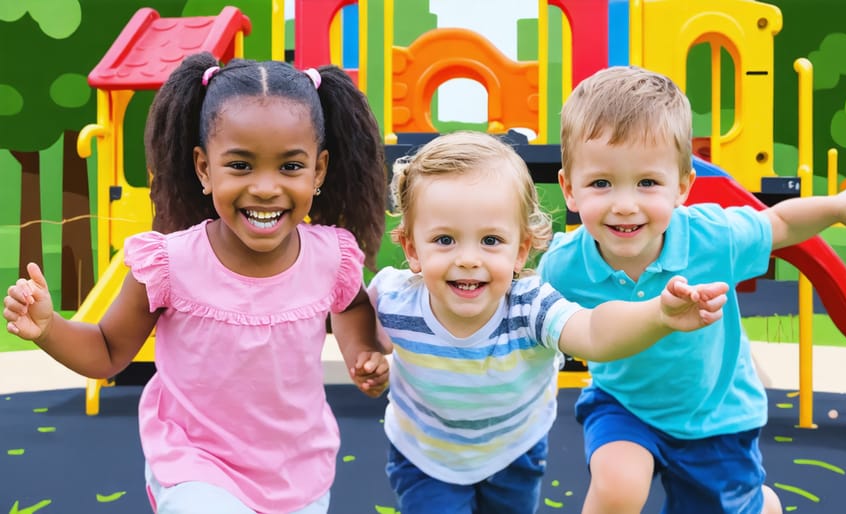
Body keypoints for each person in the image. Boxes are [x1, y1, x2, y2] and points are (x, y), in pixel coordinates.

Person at [3, 52, 391, 514]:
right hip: (194, 460)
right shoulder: (169, 263)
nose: (266, 187)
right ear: (205, 169)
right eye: (240, 166)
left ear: (318, 171)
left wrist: (363, 358)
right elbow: (107, 350)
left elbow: (350, 309)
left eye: (290, 167)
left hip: (298, 468)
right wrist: (49, 328)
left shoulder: (332, 256)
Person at [538, 65, 846, 514]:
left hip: (714, 413)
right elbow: (524, 314)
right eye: (601, 183)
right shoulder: (563, 265)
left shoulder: (713, 236)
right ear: (570, 190)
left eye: (647, 183)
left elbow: (779, 223)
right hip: (622, 404)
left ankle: (761, 505)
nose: (624, 203)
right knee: (617, 489)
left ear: (681, 187)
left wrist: (836, 207)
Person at [368, 130, 732, 514]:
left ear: (521, 249)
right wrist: (363, 349)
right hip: (425, 454)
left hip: (515, 449)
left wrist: (659, 315)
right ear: (412, 249)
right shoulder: (395, 299)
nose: (468, 259)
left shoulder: (530, 307)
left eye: (491, 241)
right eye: (445, 240)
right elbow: (352, 307)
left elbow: (592, 331)